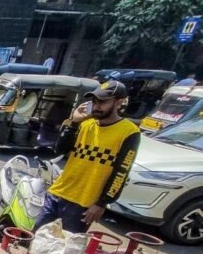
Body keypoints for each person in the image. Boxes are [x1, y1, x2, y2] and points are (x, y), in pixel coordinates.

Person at [34, 80, 140, 233]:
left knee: (64, 248)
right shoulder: (85, 124)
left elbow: (121, 173)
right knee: (35, 236)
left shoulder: (129, 132)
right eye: (95, 101)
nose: (97, 106)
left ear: (118, 102)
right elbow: (60, 150)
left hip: (83, 203)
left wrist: (101, 204)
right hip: (58, 192)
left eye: (103, 102)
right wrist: (74, 122)